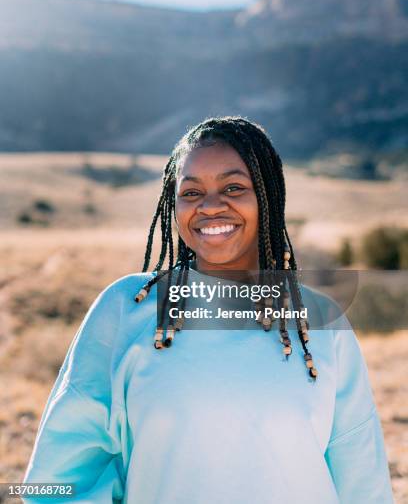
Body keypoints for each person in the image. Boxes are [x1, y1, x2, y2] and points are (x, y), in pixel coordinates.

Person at [22, 116, 394, 503]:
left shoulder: (319, 323)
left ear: (268, 196)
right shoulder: (126, 309)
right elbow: (57, 482)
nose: (211, 206)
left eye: (234, 187)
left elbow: (363, 485)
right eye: (192, 192)